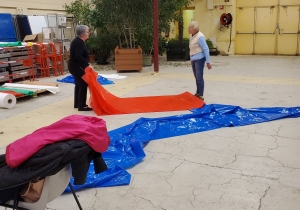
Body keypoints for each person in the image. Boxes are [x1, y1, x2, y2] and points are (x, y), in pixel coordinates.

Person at [68, 25, 93, 111]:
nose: (88, 33)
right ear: (82, 34)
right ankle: (82, 106)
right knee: (83, 84)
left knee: (78, 84)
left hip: (74, 66)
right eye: (87, 32)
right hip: (75, 66)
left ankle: (77, 103)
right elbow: (78, 56)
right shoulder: (79, 42)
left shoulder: (77, 41)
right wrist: (87, 64)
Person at [188, 21, 212, 101]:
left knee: (199, 77)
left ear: (194, 29)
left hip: (200, 59)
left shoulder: (200, 37)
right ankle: (198, 92)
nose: (188, 29)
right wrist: (191, 59)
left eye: (190, 27)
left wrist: (208, 62)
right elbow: (191, 48)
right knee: (196, 77)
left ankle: (201, 95)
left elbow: (206, 49)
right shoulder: (191, 36)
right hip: (194, 59)